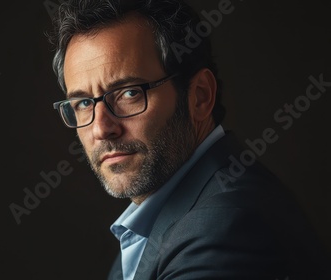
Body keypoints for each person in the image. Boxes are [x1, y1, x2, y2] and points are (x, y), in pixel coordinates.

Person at [47, 0, 330, 279]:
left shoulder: (224, 229)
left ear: (200, 96)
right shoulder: (168, 219)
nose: (101, 129)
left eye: (129, 93)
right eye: (83, 103)